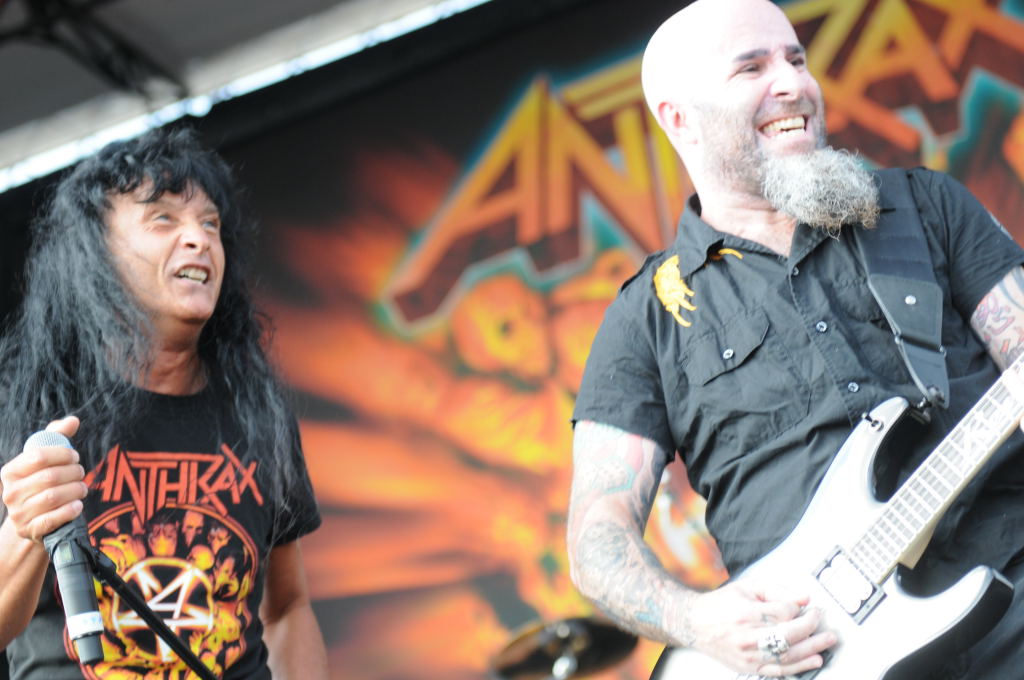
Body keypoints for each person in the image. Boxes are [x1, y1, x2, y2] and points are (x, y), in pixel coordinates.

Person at [566, 0, 1024, 678]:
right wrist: (700, 623)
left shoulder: (921, 206)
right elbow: (596, 541)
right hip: (819, 656)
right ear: (679, 118)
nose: (794, 83)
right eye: (752, 68)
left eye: (796, 60)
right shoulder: (647, 317)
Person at [0, 127, 328, 680]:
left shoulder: (257, 410)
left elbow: (288, 605)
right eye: (163, 219)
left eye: (210, 224)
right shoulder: (23, 403)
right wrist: (26, 525)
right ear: (95, 251)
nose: (198, 239)